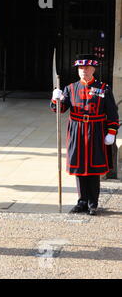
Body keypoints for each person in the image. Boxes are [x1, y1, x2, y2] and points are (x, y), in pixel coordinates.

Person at [51, 54, 119, 216]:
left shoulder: (103, 88)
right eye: (81, 68)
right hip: (77, 131)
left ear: (93, 69)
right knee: (79, 167)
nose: (84, 71)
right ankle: (81, 201)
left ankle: (92, 202)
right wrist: (56, 99)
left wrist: (111, 132)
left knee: (94, 168)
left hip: (96, 131)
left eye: (87, 68)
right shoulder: (70, 88)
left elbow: (112, 113)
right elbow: (59, 110)